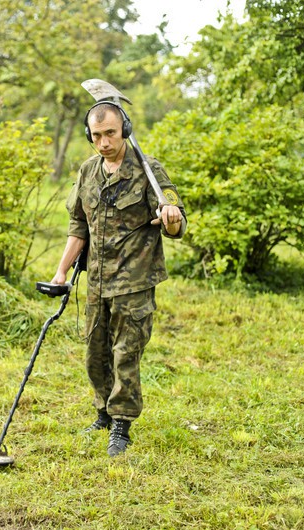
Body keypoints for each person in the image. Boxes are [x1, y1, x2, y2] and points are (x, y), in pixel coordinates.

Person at [50, 101, 186, 457]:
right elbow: (78, 225)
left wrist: (170, 216)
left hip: (134, 282)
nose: (104, 142)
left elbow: (176, 221)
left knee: (125, 353)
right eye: (97, 136)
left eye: (110, 133)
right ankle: (103, 414)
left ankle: (121, 426)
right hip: (95, 280)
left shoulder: (148, 171)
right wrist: (62, 270)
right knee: (95, 353)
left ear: (123, 129)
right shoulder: (88, 172)